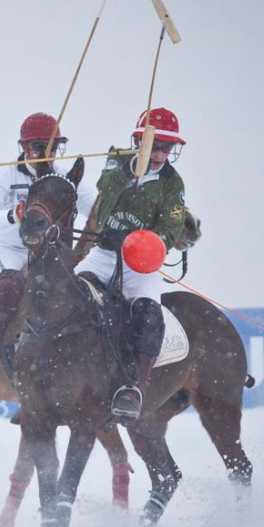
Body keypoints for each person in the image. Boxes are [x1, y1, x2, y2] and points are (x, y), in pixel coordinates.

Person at [0, 112, 98, 395]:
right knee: (10, 285)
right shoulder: (4, 175)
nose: (46, 153)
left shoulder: (63, 177)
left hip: (41, 256)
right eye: (38, 146)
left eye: (52, 147)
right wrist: (12, 215)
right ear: (24, 147)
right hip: (1, 249)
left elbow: (97, 208)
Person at [75, 107, 188, 422]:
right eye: (156, 145)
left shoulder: (172, 184)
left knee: (150, 316)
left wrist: (145, 244)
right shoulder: (118, 158)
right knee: (64, 296)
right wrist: (130, 170)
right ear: (140, 141)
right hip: (102, 256)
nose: (161, 153)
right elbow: (105, 187)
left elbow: (171, 228)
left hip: (140, 265)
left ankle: (133, 389)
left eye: (167, 147)